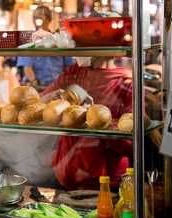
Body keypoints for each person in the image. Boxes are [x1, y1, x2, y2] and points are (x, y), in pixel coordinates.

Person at [42, 56, 134, 190]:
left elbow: (130, 147)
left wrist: (101, 124)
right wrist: (53, 96)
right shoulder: (74, 72)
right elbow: (39, 103)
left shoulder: (126, 82)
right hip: (64, 175)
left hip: (104, 182)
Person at [17, 6, 74, 88]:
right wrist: (34, 82)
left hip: (59, 86)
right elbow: (27, 66)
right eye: (34, 18)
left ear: (49, 19)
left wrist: (66, 81)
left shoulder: (58, 39)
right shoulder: (28, 42)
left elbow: (69, 66)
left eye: (39, 18)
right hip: (40, 87)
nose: (35, 21)